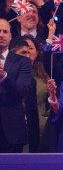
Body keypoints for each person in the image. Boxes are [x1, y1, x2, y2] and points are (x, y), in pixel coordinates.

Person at [0, 18, 32, 153]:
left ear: (10, 36)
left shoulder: (23, 61)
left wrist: (4, 77)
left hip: (11, 131)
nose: (1, 34)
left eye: (5, 31)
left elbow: (21, 91)